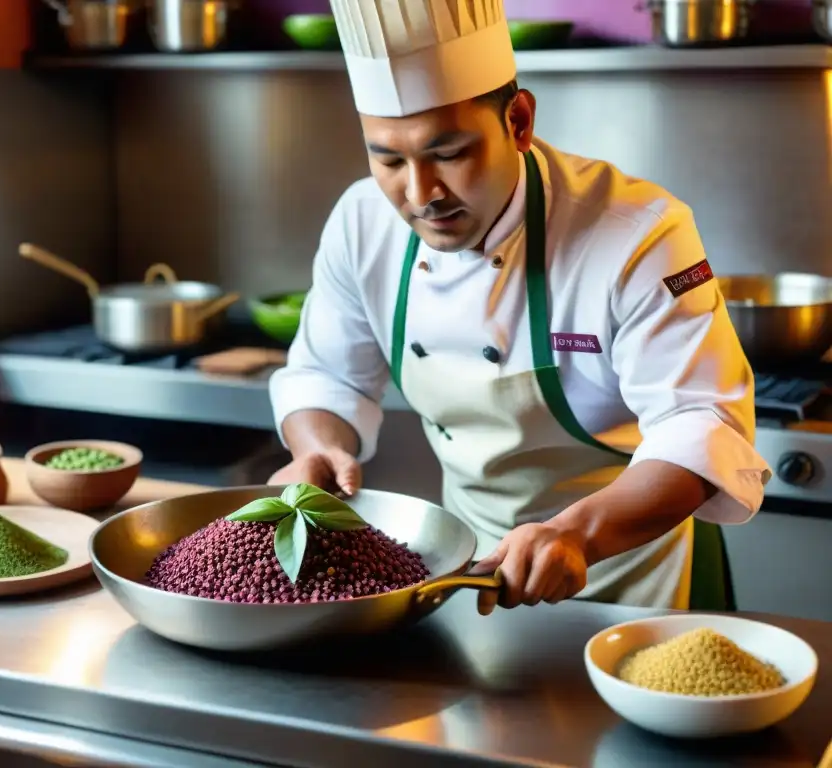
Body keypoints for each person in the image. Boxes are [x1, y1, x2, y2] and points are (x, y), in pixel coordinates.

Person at [267, 1, 771, 612]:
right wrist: (316, 446)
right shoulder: (361, 222)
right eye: (390, 160)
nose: (421, 194)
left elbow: (700, 424)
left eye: (448, 154)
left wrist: (575, 534)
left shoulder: (638, 233)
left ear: (519, 121)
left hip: (633, 570)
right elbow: (327, 375)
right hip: (468, 568)